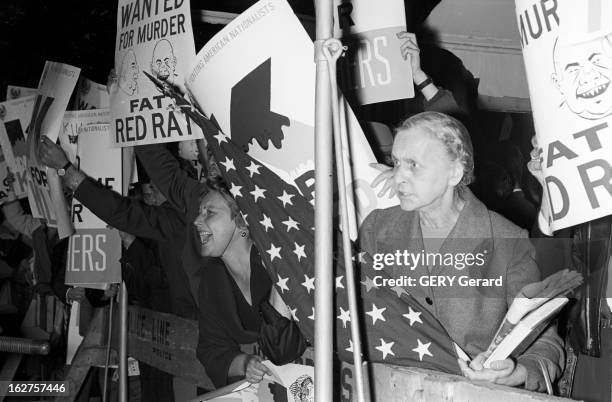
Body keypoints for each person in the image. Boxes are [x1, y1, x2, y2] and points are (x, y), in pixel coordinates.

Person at [38, 137, 306, 388]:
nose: (199, 221)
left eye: (209, 213)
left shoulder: (279, 248)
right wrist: (67, 170)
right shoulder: (212, 274)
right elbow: (130, 208)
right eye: (207, 149)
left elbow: (284, 341)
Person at [362, 111, 564, 392]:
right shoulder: (378, 229)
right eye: (395, 163)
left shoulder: (507, 240)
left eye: (413, 165)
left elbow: (545, 341)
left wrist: (517, 371)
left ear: (455, 172)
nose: (398, 177)